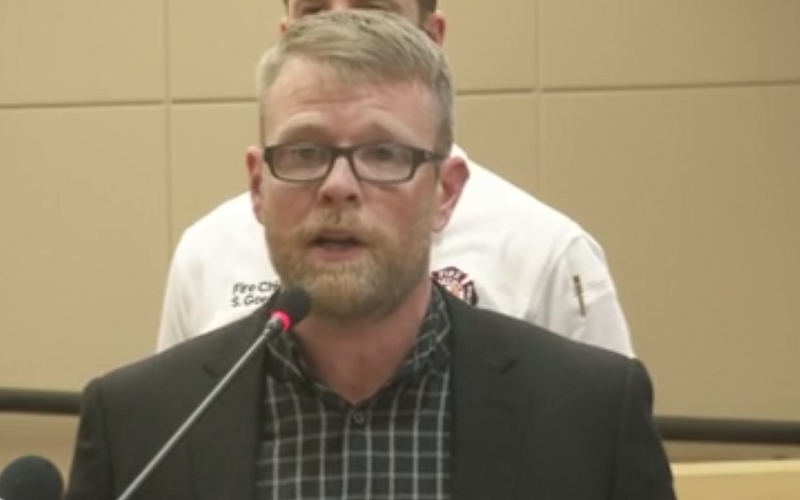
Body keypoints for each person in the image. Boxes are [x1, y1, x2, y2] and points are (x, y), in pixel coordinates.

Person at [66, 11, 674, 500]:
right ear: (257, 187)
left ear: (446, 193)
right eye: (305, 153)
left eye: (384, 154)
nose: (338, 186)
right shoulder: (142, 426)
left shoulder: (589, 415)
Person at [154, 0, 635, 357]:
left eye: (373, 10)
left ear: (432, 36)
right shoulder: (208, 251)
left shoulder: (547, 252)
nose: (344, 28)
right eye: (315, 13)